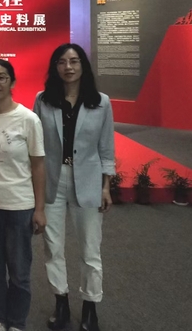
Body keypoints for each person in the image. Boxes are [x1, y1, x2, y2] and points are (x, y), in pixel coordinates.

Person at [33, 44, 114, 331]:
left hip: (88, 180)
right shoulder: (43, 100)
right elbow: (36, 147)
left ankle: (90, 306)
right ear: (55, 67)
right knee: (53, 247)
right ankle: (61, 302)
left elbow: (106, 147)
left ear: (83, 66)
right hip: (52, 180)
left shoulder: (101, 102)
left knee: (90, 248)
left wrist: (106, 186)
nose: (68, 67)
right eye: (62, 62)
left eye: (74, 61)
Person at [0, 59, 46, 331]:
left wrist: (40, 209)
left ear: (12, 82)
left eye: (1, 77)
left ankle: (16, 322)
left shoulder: (28, 119)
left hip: (18, 206)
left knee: (19, 270)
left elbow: (38, 165)